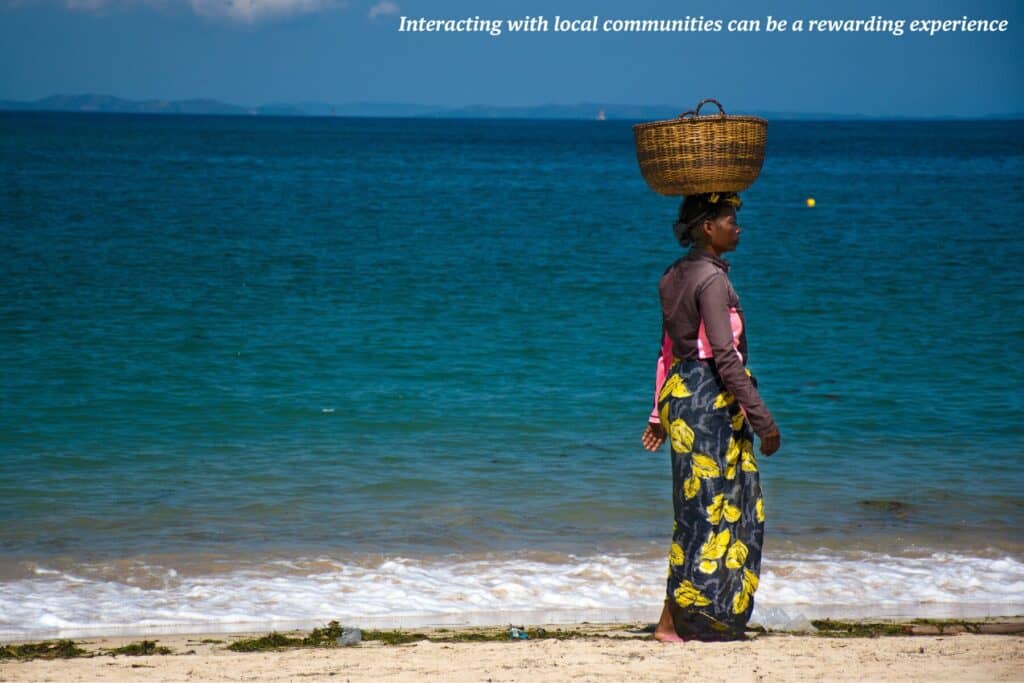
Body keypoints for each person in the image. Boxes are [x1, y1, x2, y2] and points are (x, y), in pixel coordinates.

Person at [641, 191, 781, 642]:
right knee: (720, 511)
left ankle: (690, 618)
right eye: (730, 219)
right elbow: (724, 356)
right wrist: (762, 419)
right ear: (707, 227)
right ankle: (675, 621)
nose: (737, 227)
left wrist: (658, 414)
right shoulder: (713, 281)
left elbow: (667, 352)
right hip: (709, 403)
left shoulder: (672, 275)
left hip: (681, 398)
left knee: (695, 511)